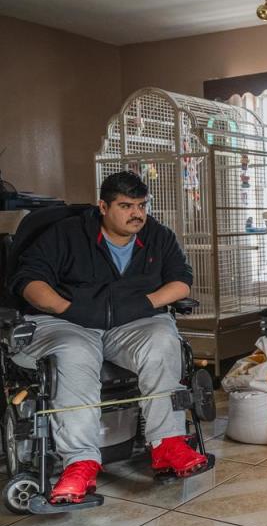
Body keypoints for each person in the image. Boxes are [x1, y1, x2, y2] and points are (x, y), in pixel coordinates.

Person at [11, 171, 209, 504]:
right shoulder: (66, 234)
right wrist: (67, 308)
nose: (137, 214)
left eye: (142, 205)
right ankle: (80, 463)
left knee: (163, 337)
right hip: (69, 321)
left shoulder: (158, 236)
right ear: (103, 206)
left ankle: (167, 444)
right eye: (126, 205)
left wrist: (144, 304)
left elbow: (181, 282)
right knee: (74, 353)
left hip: (128, 322)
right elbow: (29, 281)